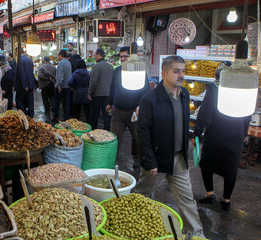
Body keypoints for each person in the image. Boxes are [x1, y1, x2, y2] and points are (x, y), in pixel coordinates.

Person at [135, 56, 204, 237]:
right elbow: (143, 133)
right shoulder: (150, 100)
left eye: (183, 70)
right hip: (156, 159)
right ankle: (134, 229)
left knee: (187, 200)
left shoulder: (184, 95)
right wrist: (149, 161)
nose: (181, 75)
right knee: (142, 196)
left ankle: (196, 234)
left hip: (178, 158)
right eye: (176, 71)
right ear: (164, 73)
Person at [194, 62, 250, 211]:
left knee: (206, 163)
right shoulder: (243, 89)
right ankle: (226, 200)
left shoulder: (214, 88)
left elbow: (205, 111)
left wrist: (197, 133)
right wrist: (244, 133)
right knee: (231, 166)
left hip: (217, 132)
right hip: (236, 133)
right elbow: (247, 113)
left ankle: (210, 193)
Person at [106, 46, 150, 168]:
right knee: (114, 137)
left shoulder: (139, 71)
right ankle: (111, 159)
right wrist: (110, 102)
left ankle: (137, 157)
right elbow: (113, 88)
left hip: (133, 112)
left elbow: (145, 90)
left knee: (136, 137)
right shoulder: (117, 71)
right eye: (121, 57)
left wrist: (140, 105)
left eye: (125, 56)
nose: (123, 59)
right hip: (118, 110)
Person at [88, 48, 114, 130]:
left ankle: (93, 132)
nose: (94, 57)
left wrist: (89, 93)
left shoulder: (96, 66)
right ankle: (107, 133)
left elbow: (93, 82)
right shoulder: (111, 66)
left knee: (94, 115)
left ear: (99, 55)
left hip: (97, 95)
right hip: (108, 95)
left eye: (95, 55)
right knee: (107, 116)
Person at [14, 47, 36, 117]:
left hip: (22, 87)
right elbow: (30, 73)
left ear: (17, 52)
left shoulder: (20, 60)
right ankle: (30, 117)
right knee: (30, 103)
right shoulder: (29, 60)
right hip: (30, 85)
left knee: (19, 102)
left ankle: (24, 117)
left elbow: (22, 74)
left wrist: (24, 85)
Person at [53, 50, 72, 122]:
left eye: (58, 55)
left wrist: (59, 86)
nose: (58, 57)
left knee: (57, 102)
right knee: (66, 103)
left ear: (61, 55)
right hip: (67, 86)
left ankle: (56, 117)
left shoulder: (61, 63)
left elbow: (60, 75)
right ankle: (67, 118)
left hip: (61, 86)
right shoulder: (68, 62)